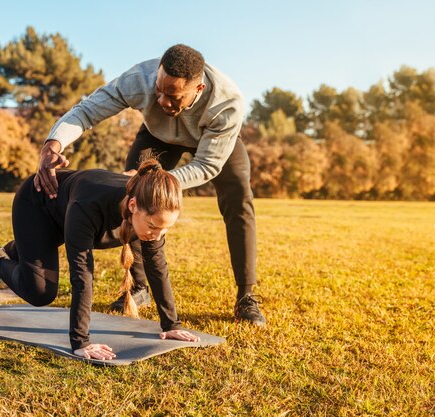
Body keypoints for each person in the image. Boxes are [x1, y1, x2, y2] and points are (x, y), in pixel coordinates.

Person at [34, 44, 266, 326]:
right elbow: (87, 111)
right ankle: (140, 286)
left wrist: (152, 182)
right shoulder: (139, 79)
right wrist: (53, 142)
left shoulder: (227, 103)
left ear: (199, 89)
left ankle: (246, 296)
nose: (162, 100)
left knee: (239, 197)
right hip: (157, 136)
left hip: (212, 143)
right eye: (159, 89)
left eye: (173, 95)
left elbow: (207, 165)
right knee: (131, 196)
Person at [0, 159, 200, 360]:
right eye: (153, 226)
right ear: (134, 205)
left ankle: (2, 261)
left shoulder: (150, 209)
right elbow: (82, 275)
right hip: (37, 205)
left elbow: (157, 268)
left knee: (34, 261)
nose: (157, 235)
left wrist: (172, 325)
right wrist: (81, 342)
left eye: (165, 229)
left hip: (65, 210)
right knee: (40, 292)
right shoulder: (90, 207)